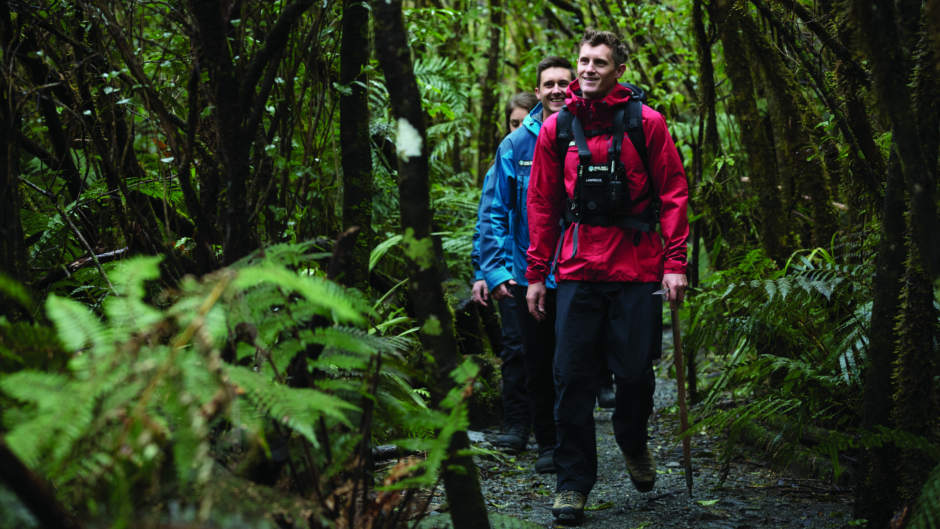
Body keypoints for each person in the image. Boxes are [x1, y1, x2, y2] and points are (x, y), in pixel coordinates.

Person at [525, 29, 689, 525]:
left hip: (637, 269)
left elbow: (674, 192)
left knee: (635, 375)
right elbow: (543, 203)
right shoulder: (558, 129)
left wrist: (675, 263)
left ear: (619, 68)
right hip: (576, 270)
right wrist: (536, 273)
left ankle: (633, 441)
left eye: (599, 61)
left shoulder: (648, 123)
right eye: (583, 61)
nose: (589, 69)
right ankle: (573, 484)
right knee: (571, 378)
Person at [478, 57, 575, 473]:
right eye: (547, 84)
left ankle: (571, 441)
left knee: (574, 363)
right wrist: (494, 271)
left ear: (573, 88)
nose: (555, 90)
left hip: (578, 272)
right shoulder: (515, 145)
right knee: (533, 361)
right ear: (537, 91)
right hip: (527, 274)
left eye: (562, 83)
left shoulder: (593, 132)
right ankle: (547, 443)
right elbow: (493, 212)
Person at [469, 92, 539, 461]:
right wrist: (482, 271)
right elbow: (487, 219)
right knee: (514, 349)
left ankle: (552, 427)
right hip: (510, 271)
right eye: (513, 123)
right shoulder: (503, 161)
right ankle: (515, 424)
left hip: (543, 272)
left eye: (523, 122)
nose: (518, 129)